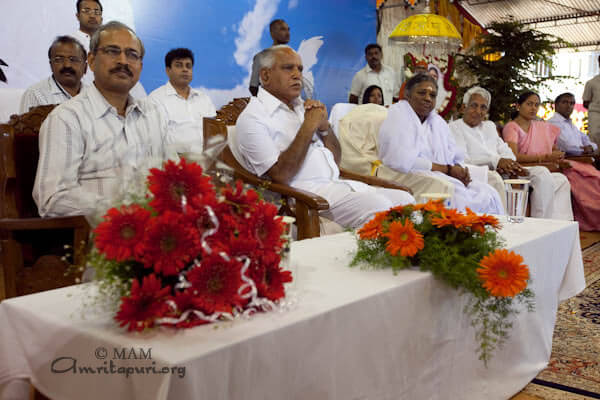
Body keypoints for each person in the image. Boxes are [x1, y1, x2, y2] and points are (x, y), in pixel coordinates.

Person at [233, 45, 414, 229]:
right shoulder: (253, 118)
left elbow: (336, 161)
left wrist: (325, 128)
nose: (297, 75)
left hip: (337, 185)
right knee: (380, 209)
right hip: (306, 198)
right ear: (265, 76)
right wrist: (309, 126)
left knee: (407, 201)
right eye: (288, 68)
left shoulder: (301, 106)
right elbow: (280, 175)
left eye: (300, 69)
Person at [33, 21, 174, 217]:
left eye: (132, 55)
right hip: (96, 238)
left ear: (140, 67)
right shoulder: (67, 118)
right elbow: (52, 198)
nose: (123, 61)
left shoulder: (154, 115)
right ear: (91, 61)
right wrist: (126, 211)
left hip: (158, 236)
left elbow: (174, 178)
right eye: (113, 51)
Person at [378, 74, 504, 214]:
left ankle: (489, 231)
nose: (427, 98)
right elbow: (400, 160)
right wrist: (447, 170)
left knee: (487, 191)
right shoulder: (397, 115)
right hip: (402, 174)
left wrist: (459, 169)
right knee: (450, 190)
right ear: (407, 95)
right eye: (422, 93)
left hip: (438, 174)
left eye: (432, 95)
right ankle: (458, 232)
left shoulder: (438, 122)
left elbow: (454, 154)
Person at [450, 86, 572, 220]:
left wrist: (508, 164)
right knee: (497, 178)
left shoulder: (489, 126)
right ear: (463, 108)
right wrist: (496, 162)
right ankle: (516, 225)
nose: (478, 111)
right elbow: (464, 160)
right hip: (482, 173)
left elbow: (508, 153)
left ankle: (548, 223)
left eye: (483, 107)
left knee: (553, 177)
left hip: (506, 170)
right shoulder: (455, 128)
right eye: (474, 106)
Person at [503, 91, 600, 231]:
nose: (533, 108)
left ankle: (560, 226)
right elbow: (513, 156)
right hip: (522, 167)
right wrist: (545, 157)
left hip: (541, 166)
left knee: (561, 180)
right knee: (543, 175)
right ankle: (538, 225)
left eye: (536, 105)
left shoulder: (540, 126)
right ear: (518, 106)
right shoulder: (511, 127)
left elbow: (553, 149)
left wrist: (556, 155)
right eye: (529, 104)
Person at [69, 0, 146, 98]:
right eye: (87, 11)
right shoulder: (69, 45)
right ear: (78, 16)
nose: (92, 16)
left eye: (96, 12)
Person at [149, 48, 216, 153]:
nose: (185, 69)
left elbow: (214, 132)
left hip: (210, 158)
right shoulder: (156, 99)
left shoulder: (204, 99)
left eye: (188, 66)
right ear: (168, 70)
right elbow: (155, 142)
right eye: (179, 65)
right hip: (176, 163)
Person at [19, 36, 87, 113]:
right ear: (51, 65)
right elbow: (27, 125)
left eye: (73, 59)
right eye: (59, 59)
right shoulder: (35, 94)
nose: (67, 65)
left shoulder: (94, 94)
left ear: (85, 67)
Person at [549, 92, 599, 157]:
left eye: (572, 103)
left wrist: (590, 147)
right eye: (565, 102)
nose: (569, 106)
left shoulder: (572, 125)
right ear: (556, 105)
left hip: (582, 159)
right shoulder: (552, 123)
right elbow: (566, 147)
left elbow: (590, 142)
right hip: (568, 161)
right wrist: (584, 150)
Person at [249, 19, 290, 97]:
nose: (287, 33)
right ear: (272, 33)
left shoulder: (295, 57)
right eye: (282, 29)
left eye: (288, 30)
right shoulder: (261, 57)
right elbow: (253, 87)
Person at [583, 56, 600, 147]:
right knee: (594, 137)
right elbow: (586, 102)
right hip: (595, 114)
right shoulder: (591, 83)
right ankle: (594, 160)